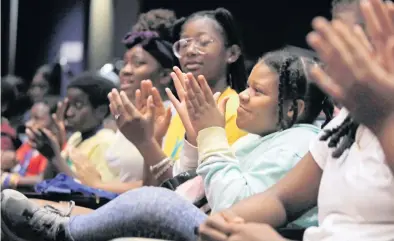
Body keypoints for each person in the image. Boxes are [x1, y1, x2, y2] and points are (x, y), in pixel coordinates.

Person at [0, 48, 334, 241]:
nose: (244, 96)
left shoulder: (298, 143)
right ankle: (64, 225)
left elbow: (233, 210)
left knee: (152, 202)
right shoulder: (259, 137)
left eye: (257, 92)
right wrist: (191, 139)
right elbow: (185, 188)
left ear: (294, 109)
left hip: (226, 233)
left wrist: (209, 135)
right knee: (147, 203)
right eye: (247, 87)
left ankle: (65, 231)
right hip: (195, 215)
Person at [194, 1, 394, 241]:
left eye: (353, 39)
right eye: (335, 39)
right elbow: (280, 200)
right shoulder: (345, 126)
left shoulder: (372, 118)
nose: (335, 55)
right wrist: (225, 222)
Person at [71, 9, 180, 193]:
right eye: (125, 62)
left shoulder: (174, 117)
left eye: (138, 63)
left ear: (164, 75)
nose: (125, 71)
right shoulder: (131, 116)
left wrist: (98, 186)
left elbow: (167, 181)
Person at [162, 8, 248, 160]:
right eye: (184, 44)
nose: (190, 51)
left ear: (232, 54)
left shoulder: (238, 110)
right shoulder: (180, 115)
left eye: (203, 42)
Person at [28, 72, 118, 182]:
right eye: (69, 105)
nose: (69, 113)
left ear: (101, 111)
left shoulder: (105, 142)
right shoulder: (75, 138)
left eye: (78, 105)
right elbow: (48, 180)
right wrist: (51, 154)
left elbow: (96, 193)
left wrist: (55, 157)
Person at [1, 100, 58, 189]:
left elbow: (44, 179)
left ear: (55, 120)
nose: (28, 124)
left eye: (37, 118)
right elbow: (15, 161)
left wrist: (9, 179)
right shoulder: (29, 144)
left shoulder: (56, 148)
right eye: (30, 118)